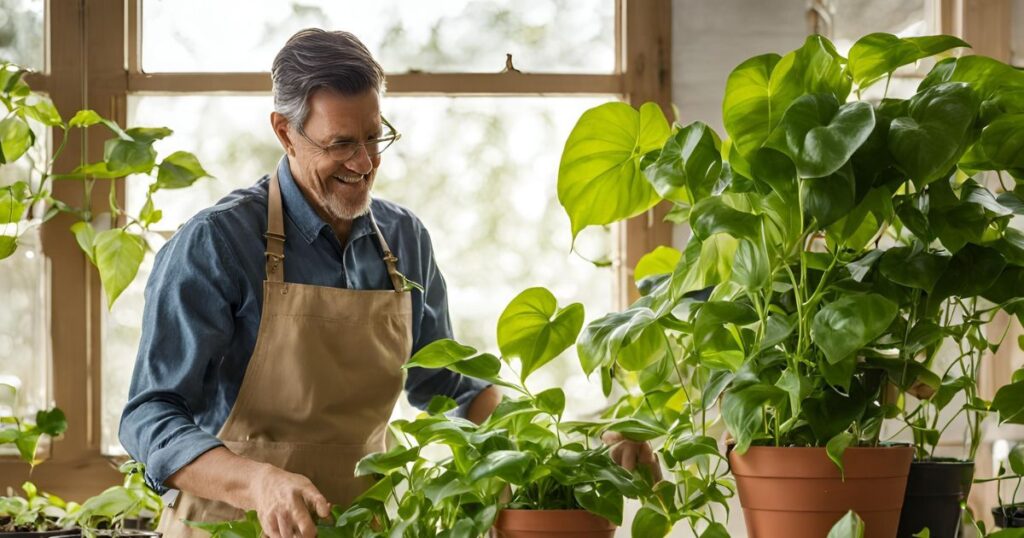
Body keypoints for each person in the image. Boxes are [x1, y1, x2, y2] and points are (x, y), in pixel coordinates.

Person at [119, 28, 655, 538]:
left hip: (362, 523)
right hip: (227, 523)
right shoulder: (217, 243)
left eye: (376, 137)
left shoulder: (404, 240)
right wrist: (257, 482)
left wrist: (581, 445)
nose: (366, 162)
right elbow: (150, 415)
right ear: (285, 132)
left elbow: (450, 385)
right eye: (342, 144)